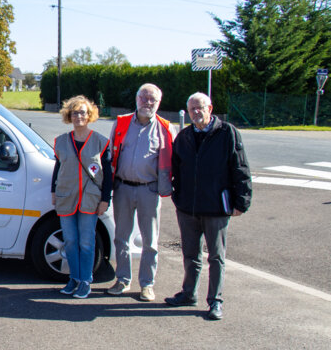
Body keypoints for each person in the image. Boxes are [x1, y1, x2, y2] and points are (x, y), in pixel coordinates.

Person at [165, 92, 252, 320]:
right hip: (188, 208)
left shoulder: (227, 133)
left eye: (200, 107)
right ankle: (188, 293)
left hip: (216, 208)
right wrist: (178, 197)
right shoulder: (184, 137)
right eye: (192, 109)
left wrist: (242, 201)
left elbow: (241, 168)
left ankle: (215, 301)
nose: (196, 112)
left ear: (210, 109)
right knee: (190, 254)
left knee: (216, 257)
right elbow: (177, 169)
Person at [106, 83, 177, 302]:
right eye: (143, 98)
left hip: (149, 190)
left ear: (159, 103)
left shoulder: (166, 128)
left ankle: (147, 284)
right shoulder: (121, 123)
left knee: (150, 241)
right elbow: (110, 154)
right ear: (136, 99)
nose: (147, 102)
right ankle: (122, 280)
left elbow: (174, 161)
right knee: (121, 238)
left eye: (152, 99)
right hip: (123, 188)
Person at [51, 95, 112, 299]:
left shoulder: (100, 142)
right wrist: (53, 192)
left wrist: (105, 200)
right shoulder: (61, 141)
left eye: (83, 112)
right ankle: (74, 279)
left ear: (89, 115)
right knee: (70, 241)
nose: (79, 116)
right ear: (69, 115)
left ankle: (85, 280)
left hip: (90, 199)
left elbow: (108, 174)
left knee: (86, 242)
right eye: (75, 112)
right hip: (66, 196)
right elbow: (58, 168)